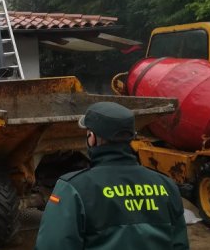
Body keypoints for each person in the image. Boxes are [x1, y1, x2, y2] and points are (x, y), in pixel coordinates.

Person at [35, 101, 189, 250]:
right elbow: (179, 244)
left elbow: (53, 245)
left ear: (92, 138)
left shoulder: (73, 189)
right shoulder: (166, 185)